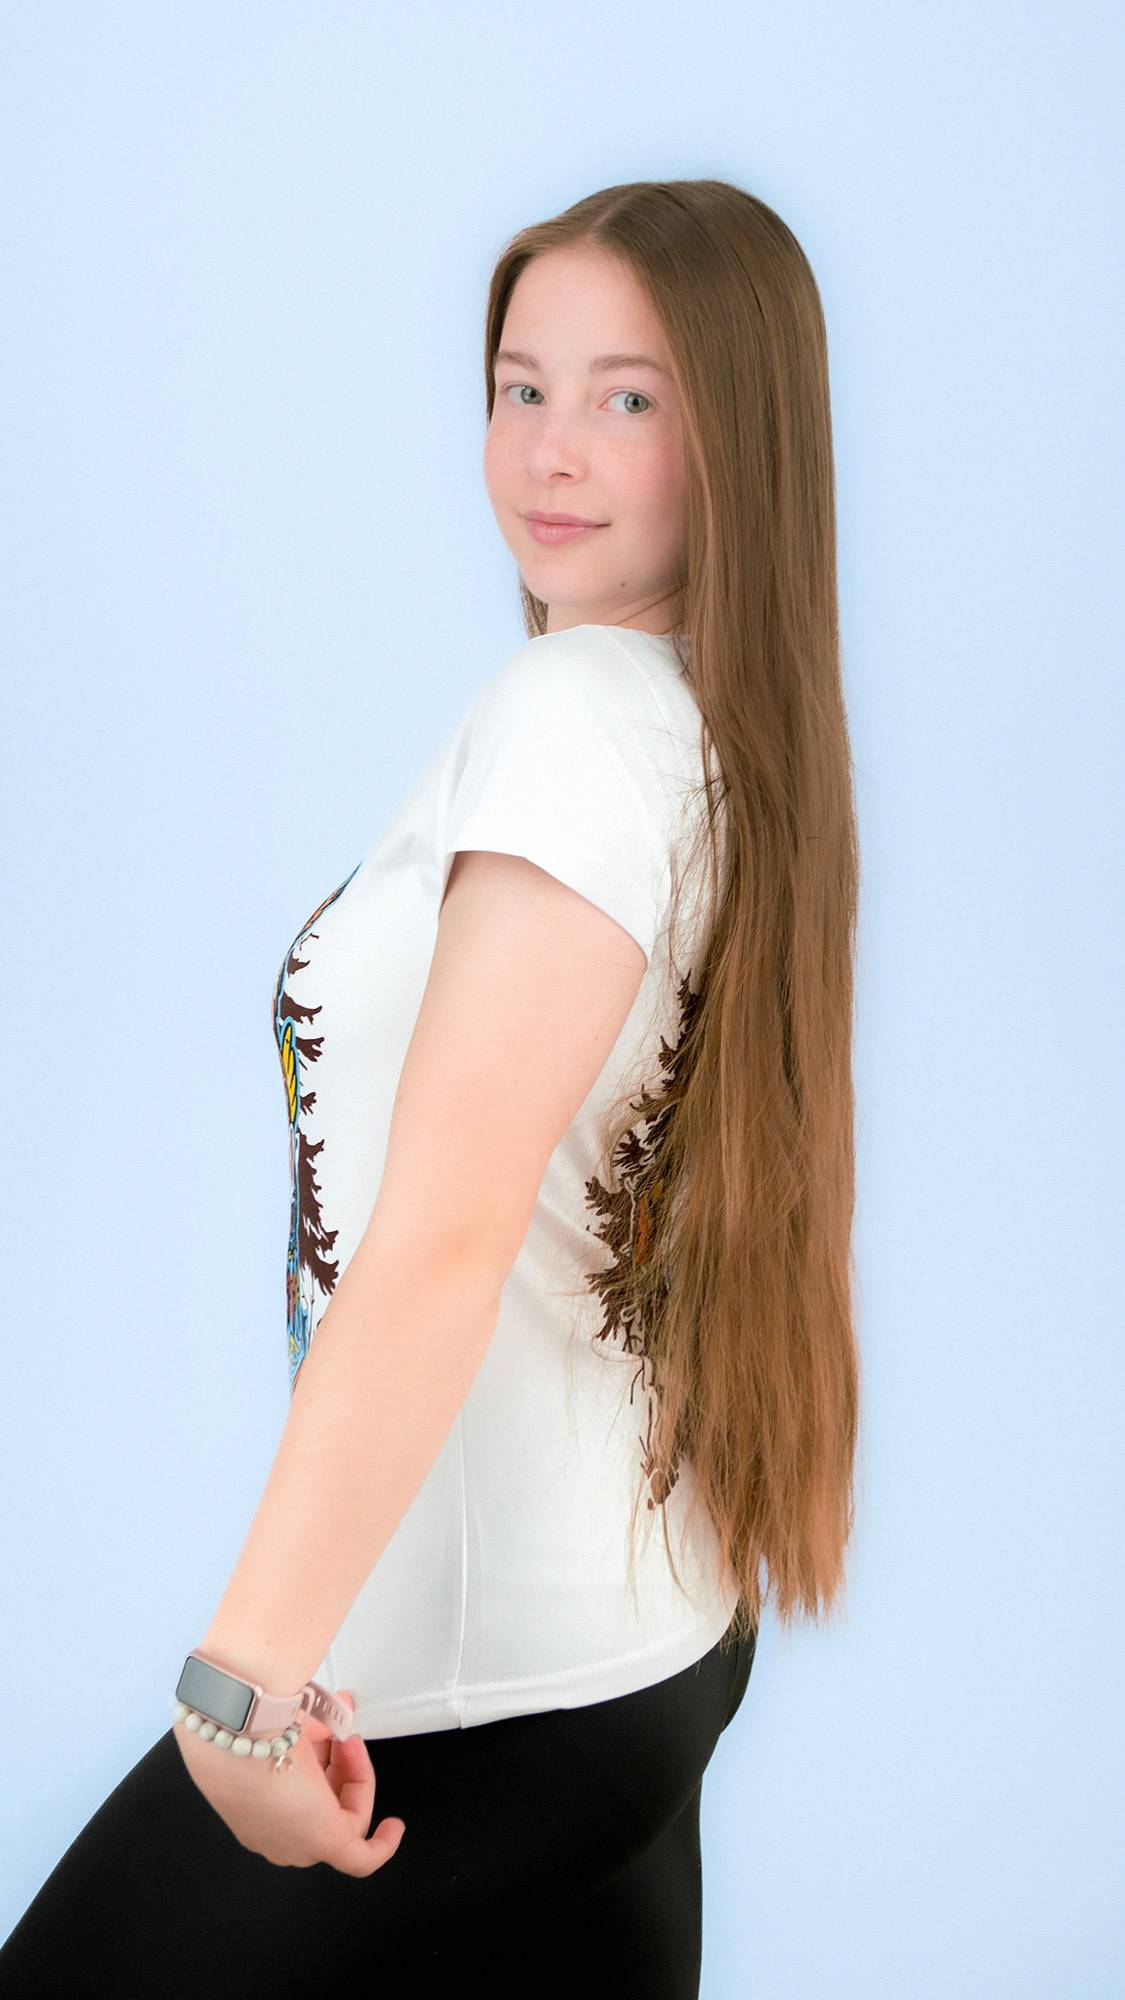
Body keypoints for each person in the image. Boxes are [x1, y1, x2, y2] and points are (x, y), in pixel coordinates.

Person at [0, 177, 860, 1998]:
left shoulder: (573, 727)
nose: (551, 450)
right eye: (518, 387)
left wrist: (239, 1690)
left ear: (740, 431)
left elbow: (448, 1233)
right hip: (649, 1641)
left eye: (627, 397)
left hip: (477, 1698)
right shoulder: (712, 734)